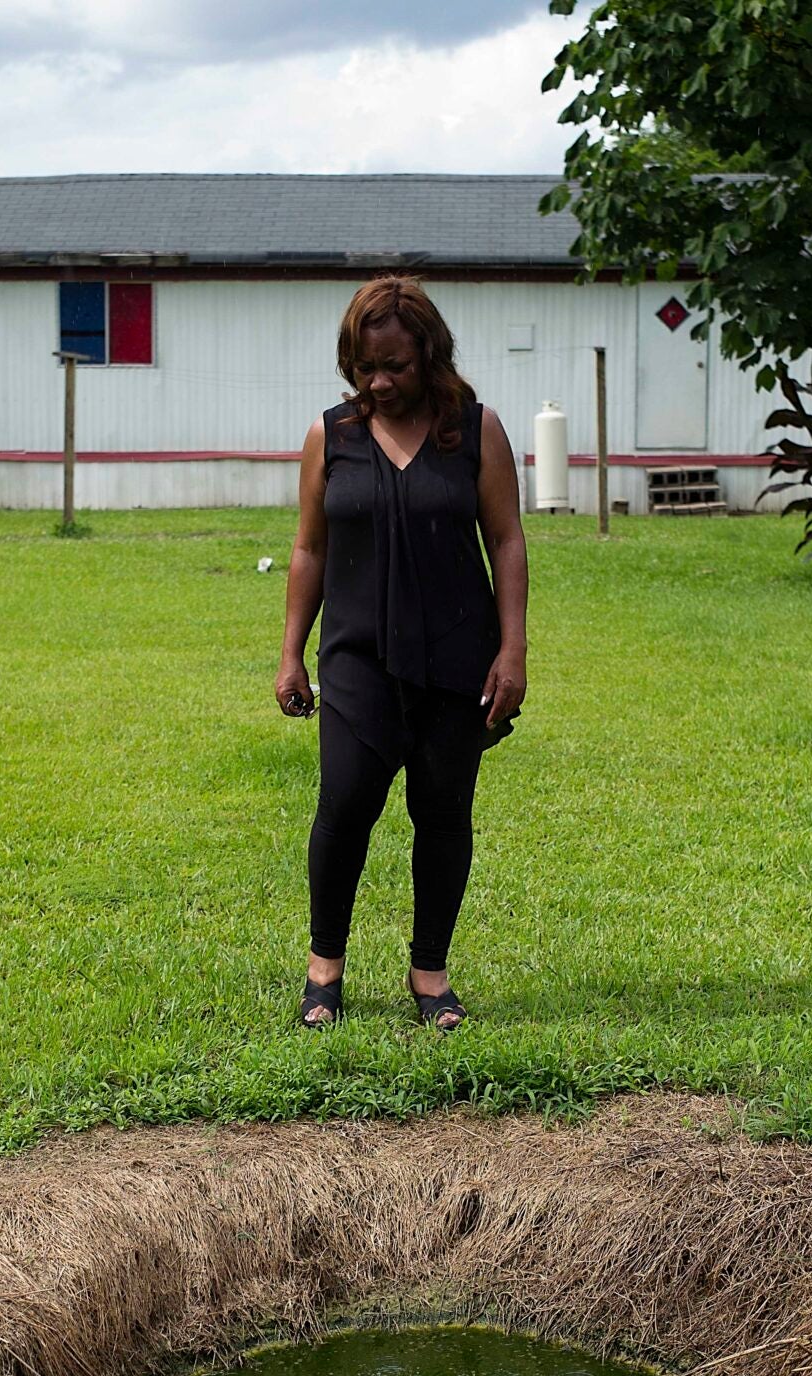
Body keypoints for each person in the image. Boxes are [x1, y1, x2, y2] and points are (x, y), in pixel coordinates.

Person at [276, 277, 528, 1031]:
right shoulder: (332, 436)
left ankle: (430, 975)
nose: (379, 382)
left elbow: (507, 541)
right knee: (344, 808)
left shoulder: (475, 431)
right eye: (364, 368)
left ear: (429, 354)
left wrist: (512, 649)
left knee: (443, 815)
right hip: (357, 659)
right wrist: (291, 652)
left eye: (395, 366)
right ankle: (325, 972)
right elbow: (309, 548)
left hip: (457, 658)